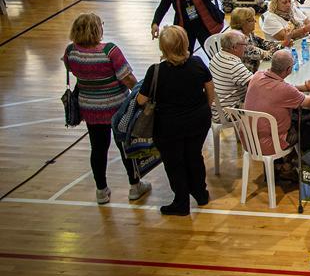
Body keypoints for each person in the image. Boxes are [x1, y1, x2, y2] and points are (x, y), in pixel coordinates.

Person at [63, 13, 150, 204]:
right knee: (125, 147)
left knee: (98, 149)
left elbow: (71, 69)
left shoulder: (71, 51)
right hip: (117, 107)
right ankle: (135, 186)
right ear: (96, 29)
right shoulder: (110, 51)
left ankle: (101, 190)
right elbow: (127, 78)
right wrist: (139, 96)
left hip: (90, 108)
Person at [137, 25, 216, 216]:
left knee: (174, 163)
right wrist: (200, 108)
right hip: (198, 120)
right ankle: (201, 194)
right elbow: (210, 92)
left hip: (168, 126)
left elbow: (141, 100)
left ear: (163, 48)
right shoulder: (197, 63)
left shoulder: (156, 71)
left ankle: (181, 202)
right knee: (194, 156)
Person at [243, 49, 310, 155]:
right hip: (271, 142)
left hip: (249, 139)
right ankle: (301, 157)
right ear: (288, 69)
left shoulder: (257, 75)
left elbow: (285, 90)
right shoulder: (284, 90)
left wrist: (302, 87)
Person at [209, 30, 253, 111]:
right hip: (229, 112)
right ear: (234, 47)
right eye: (244, 45)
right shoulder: (233, 66)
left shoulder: (217, 55)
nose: (246, 47)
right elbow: (257, 84)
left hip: (216, 109)